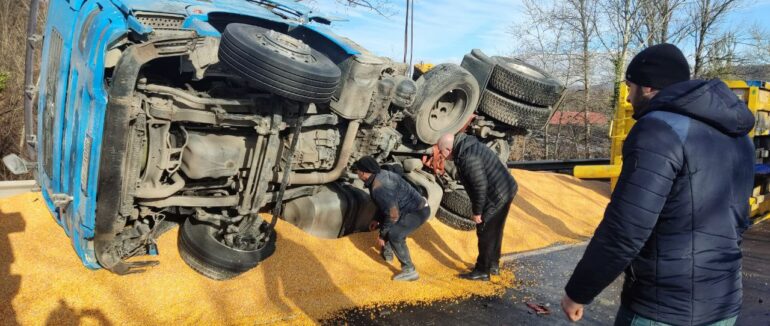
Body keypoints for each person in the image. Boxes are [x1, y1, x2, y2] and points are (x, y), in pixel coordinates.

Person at [560, 43, 755, 325]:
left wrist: (578, 292)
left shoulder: (658, 130)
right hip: (724, 303)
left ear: (649, 87)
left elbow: (625, 229)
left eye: (630, 86)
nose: (628, 97)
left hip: (662, 308)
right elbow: (738, 220)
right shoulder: (739, 137)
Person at [436, 133, 518, 281]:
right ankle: (493, 264)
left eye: (442, 152)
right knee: (495, 229)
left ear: (448, 149)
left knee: (485, 231)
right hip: (506, 188)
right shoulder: (467, 145)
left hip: (498, 195)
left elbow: (479, 187)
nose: (442, 156)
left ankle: (482, 270)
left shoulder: (468, 158)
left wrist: (478, 212)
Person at [353, 156, 431, 281]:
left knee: (395, 234)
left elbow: (393, 215)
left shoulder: (379, 187)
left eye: (357, 170)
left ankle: (409, 270)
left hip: (417, 211)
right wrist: (377, 219)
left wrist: (382, 236)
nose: (356, 172)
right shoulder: (380, 175)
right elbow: (386, 205)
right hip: (405, 210)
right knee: (387, 225)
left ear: (363, 173)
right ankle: (388, 253)